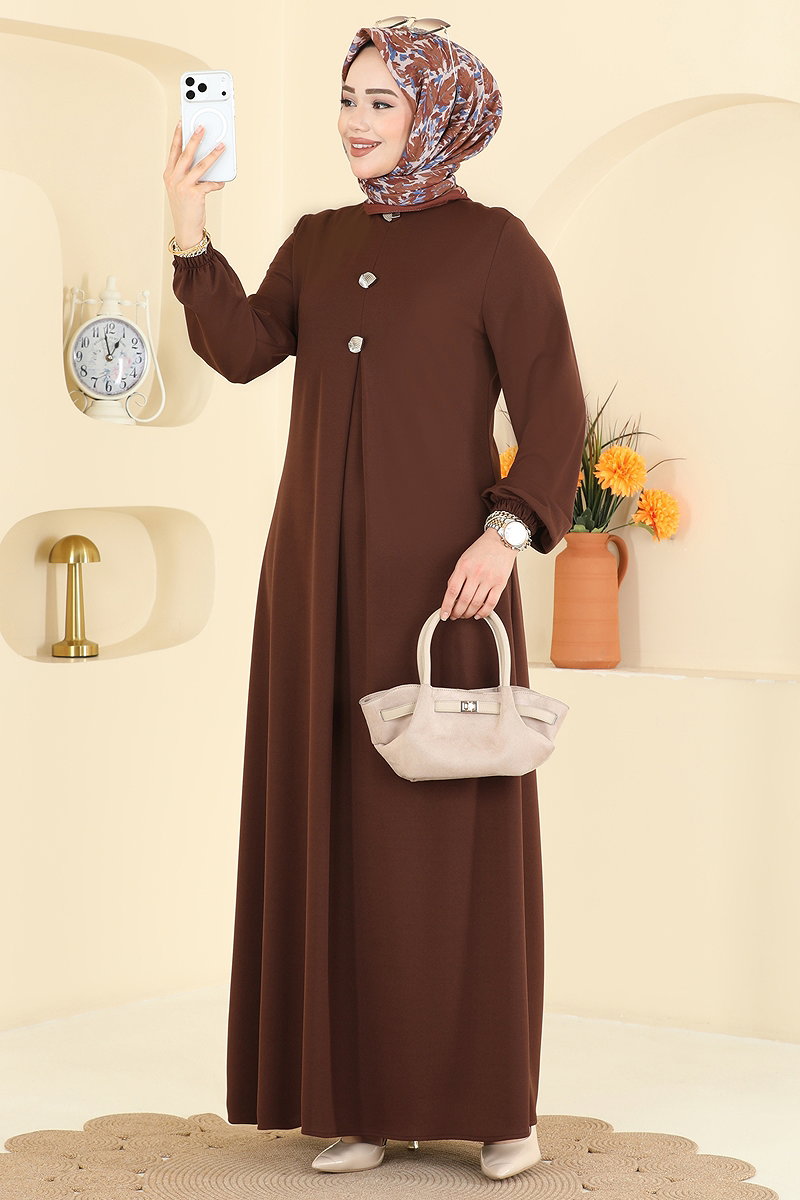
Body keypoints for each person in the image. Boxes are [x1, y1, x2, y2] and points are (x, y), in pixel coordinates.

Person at [163, 17, 586, 1183]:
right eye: (346, 98)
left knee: (453, 842)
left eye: (379, 102)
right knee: (341, 831)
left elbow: (553, 408)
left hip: (446, 586)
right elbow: (244, 348)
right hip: (318, 589)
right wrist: (191, 231)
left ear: (435, 112)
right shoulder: (318, 238)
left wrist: (507, 532)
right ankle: (358, 1102)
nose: (354, 121)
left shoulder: (495, 247)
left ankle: (497, 1112)